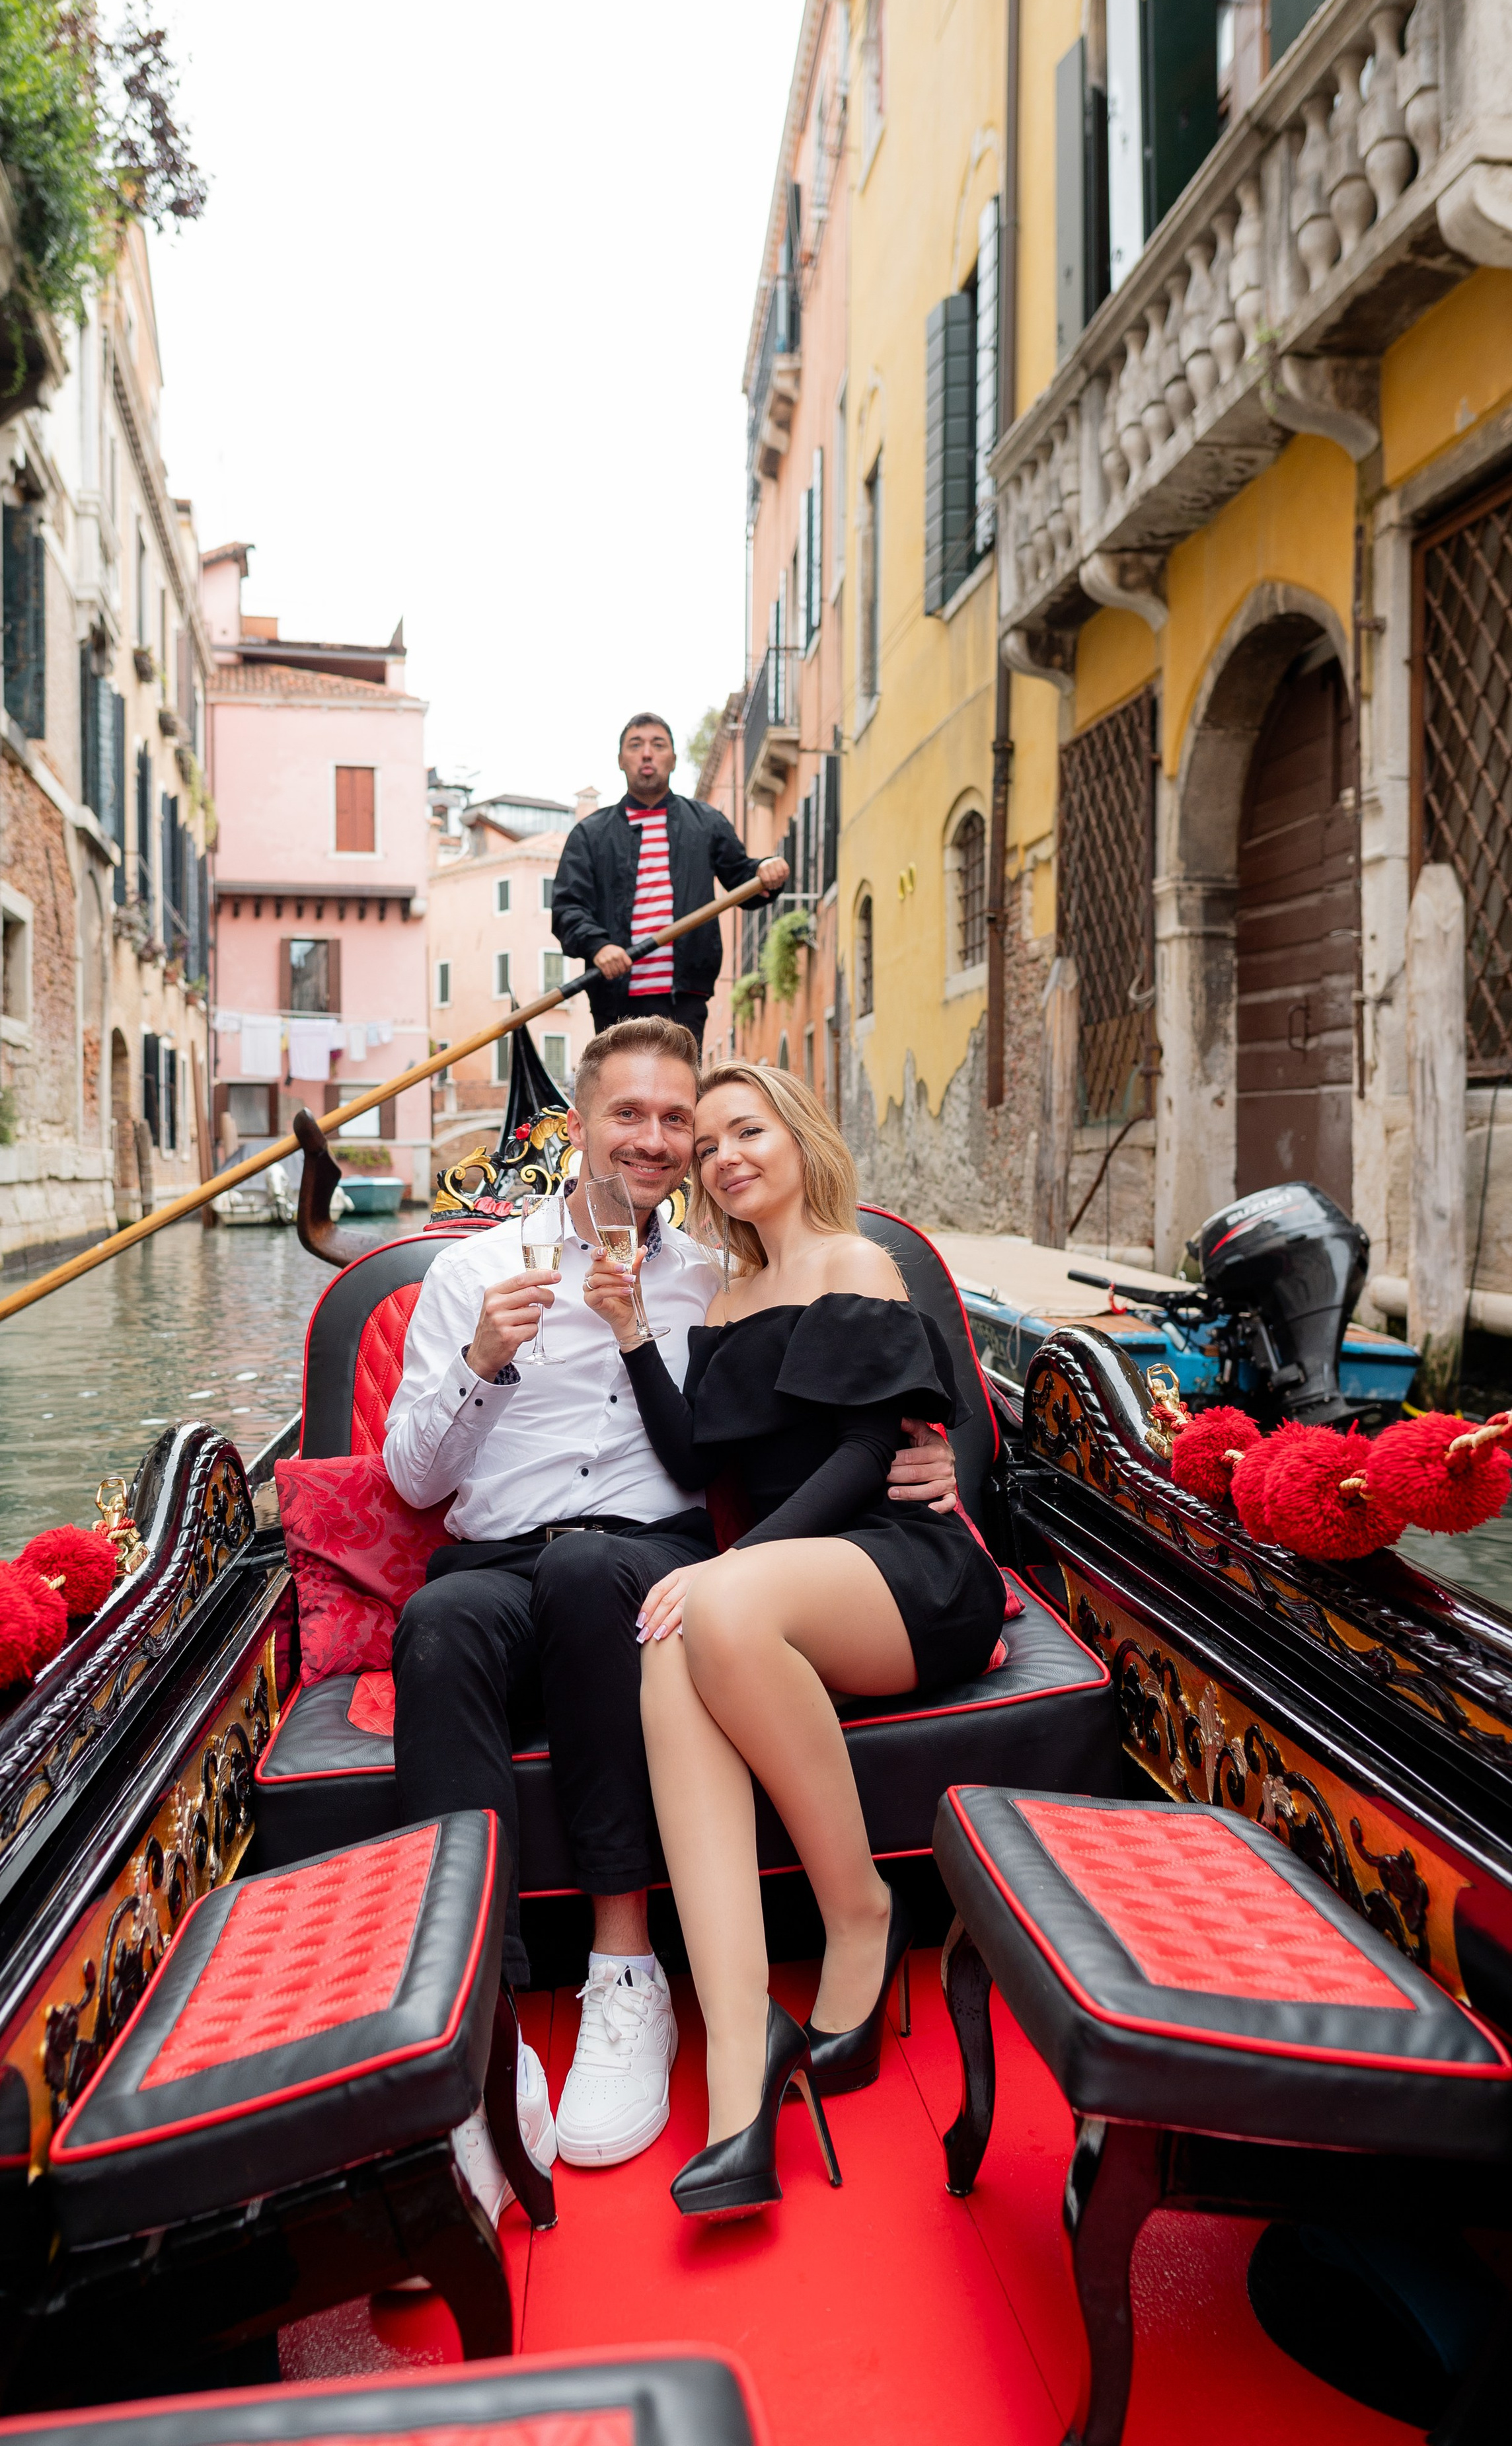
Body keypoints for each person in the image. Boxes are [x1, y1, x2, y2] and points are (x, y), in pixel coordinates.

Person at [381, 1018, 959, 2213]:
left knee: (623, 1585)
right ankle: (469, 2019)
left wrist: (935, 1459)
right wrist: (484, 1361)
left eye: (680, 1122)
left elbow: (850, 1430)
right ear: (577, 1125)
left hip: (656, 1558)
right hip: (499, 1559)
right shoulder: (471, 1274)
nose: (661, 1141)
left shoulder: (714, 1275)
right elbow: (411, 1484)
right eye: (632, 1116)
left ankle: (628, 1970)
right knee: (434, 1631)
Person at [583, 1061, 1006, 2221]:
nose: (723, 1156)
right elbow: (691, 1459)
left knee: (703, 1605)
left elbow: (873, 1452)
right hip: (777, 1582)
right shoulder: (719, 1302)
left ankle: (860, 1909)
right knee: (664, 1639)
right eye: (708, 1143)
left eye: (744, 1129)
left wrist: (735, 1567)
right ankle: (738, 2071)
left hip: (902, 1568)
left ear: (799, 1134)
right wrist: (631, 1337)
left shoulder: (859, 1259)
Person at [550, 712, 788, 1050]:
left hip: (685, 996)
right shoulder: (590, 835)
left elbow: (743, 880)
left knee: (681, 1093)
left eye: (658, 745)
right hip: (614, 996)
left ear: (673, 760)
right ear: (621, 760)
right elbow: (567, 908)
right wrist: (599, 946)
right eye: (636, 745)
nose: (647, 753)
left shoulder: (706, 823)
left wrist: (766, 871)